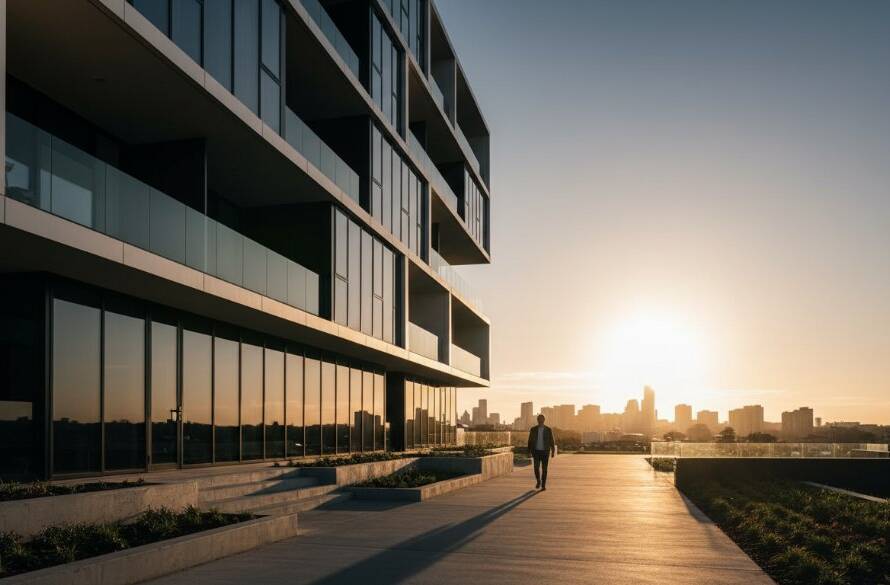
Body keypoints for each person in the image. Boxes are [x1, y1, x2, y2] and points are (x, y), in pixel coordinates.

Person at [527, 414, 556, 490]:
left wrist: (553, 451)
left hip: (545, 452)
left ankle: (543, 484)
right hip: (536, 452)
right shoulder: (533, 429)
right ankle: (538, 481)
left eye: (541, 419)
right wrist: (529, 451)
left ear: (544, 420)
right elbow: (529, 441)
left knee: (544, 469)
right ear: (537, 420)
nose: (540, 420)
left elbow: (551, 441)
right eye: (539, 419)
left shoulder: (548, 429)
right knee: (536, 468)